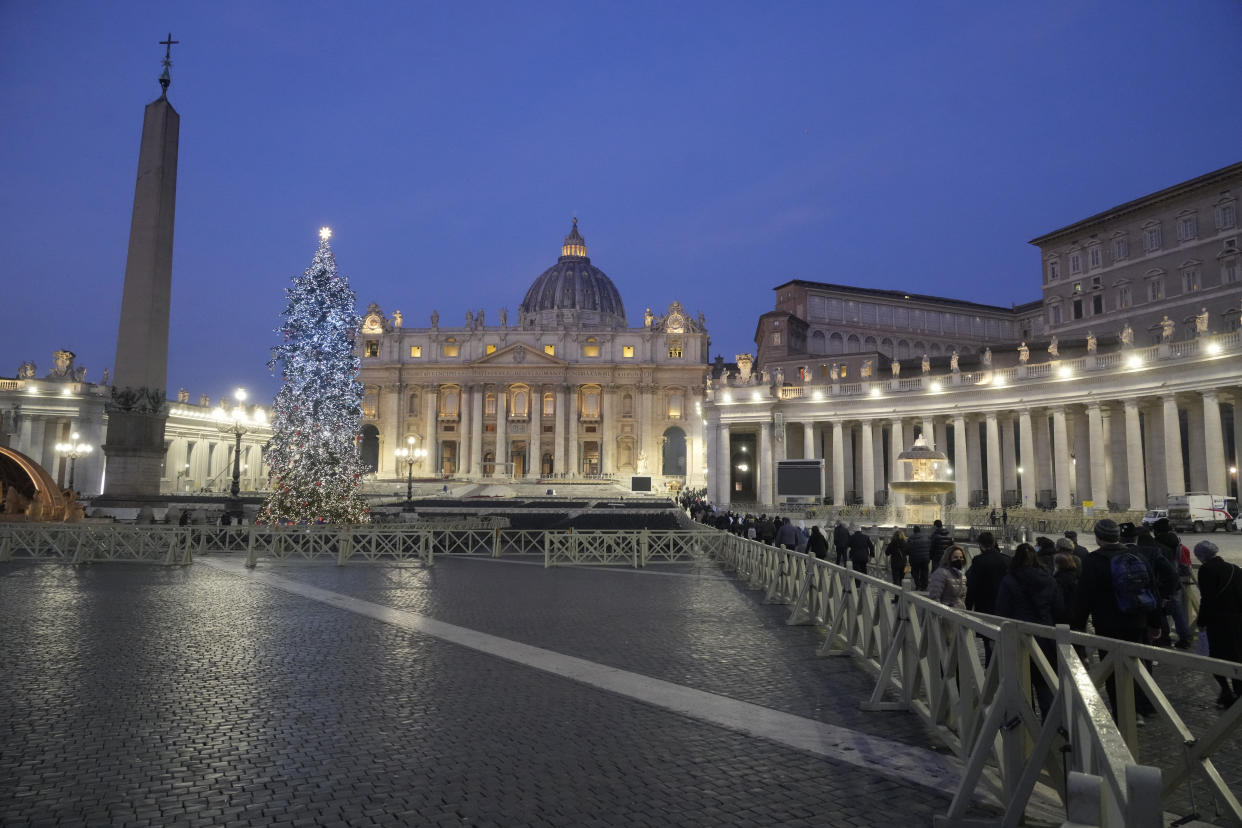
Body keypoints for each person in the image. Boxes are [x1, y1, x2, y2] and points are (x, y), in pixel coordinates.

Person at [1071, 519, 1158, 721]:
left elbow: (1084, 596)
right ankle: (1141, 708)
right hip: (1137, 620)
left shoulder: (1094, 560)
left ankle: (1123, 714)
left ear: (1098, 537)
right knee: (1137, 664)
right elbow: (1150, 589)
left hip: (1108, 623)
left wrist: (1078, 626)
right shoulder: (1136, 555)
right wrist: (1154, 622)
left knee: (1112, 669)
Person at [995, 542, 1064, 717]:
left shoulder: (1009, 580)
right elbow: (1059, 609)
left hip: (1018, 637)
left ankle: (1026, 729)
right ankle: (1053, 729)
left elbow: (1002, 610)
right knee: (1045, 684)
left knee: (1020, 684)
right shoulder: (1049, 579)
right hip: (1046, 636)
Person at [1193, 541, 1242, 708]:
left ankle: (1227, 692)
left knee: (1216, 658)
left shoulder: (1206, 570)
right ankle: (1238, 691)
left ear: (1201, 555)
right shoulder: (1235, 568)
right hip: (1237, 620)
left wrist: (1201, 622)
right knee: (1236, 657)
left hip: (1219, 622)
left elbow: (1207, 600)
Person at [965, 531, 1009, 617]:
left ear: (980, 544)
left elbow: (972, 585)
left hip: (984, 606)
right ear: (993, 543)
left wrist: (968, 607)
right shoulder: (1007, 560)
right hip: (1003, 605)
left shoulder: (978, 560)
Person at [1052, 553, 1080, 624]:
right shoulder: (1075, 575)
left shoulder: (1058, 579)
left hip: (1063, 614)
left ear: (1058, 565)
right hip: (1074, 611)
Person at [906, 525, 932, 590]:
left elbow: (907, 549)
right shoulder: (926, 537)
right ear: (920, 530)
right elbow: (930, 547)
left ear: (913, 531)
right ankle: (924, 586)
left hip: (915, 559)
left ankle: (918, 585)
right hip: (925, 559)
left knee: (915, 572)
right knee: (925, 572)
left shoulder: (910, 538)